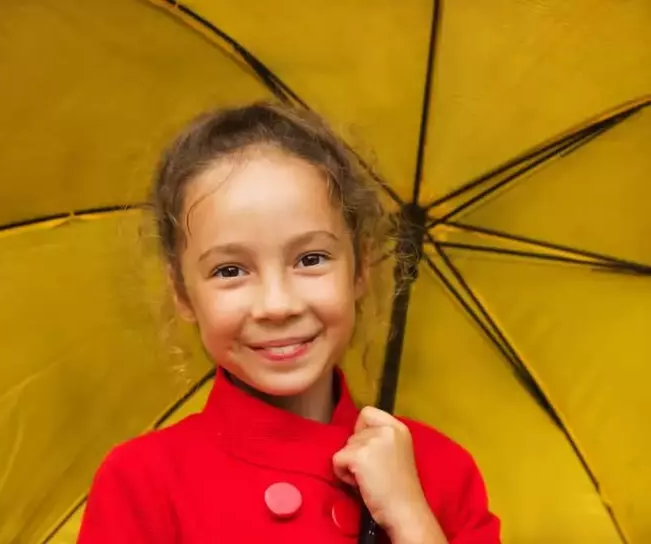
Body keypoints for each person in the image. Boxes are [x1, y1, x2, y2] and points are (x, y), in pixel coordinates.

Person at [77, 102, 501, 543]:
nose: (277, 305)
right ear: (182, 292)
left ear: (360, 269)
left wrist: (410, 518)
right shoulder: (143, 482)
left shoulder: (439, 471)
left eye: (310, 259)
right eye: (230, 270)